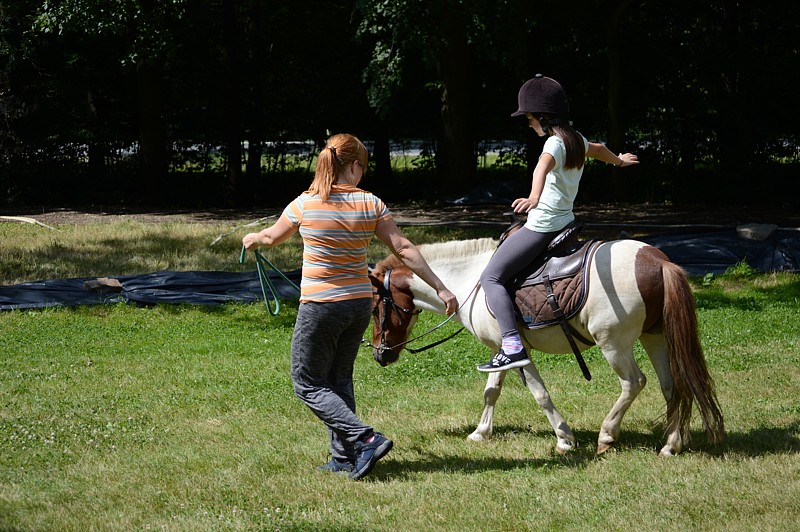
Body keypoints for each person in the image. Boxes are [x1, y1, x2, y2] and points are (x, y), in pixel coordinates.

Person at [243, 133, 458, 480]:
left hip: (321, 305)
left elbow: (270, 237)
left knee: (307, 382)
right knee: (337, 378)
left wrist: (252, 240)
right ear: (355, 165)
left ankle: (365, 439)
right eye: (363, 167)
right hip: (359, 303)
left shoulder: (305, 204)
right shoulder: (370, 203)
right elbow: (403, 248)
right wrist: (441, 288)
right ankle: (343, 458)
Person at [477, 74, 639, 373]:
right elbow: (600, 148)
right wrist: (619, 161)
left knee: (491, 277)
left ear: (541, 116)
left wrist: (534, 197)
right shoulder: (575, 138)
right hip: (566, 222)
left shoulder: (553, 143)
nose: (528, 124)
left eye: (528, 118)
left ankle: (512, 346)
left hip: (543, 225)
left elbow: (542, 166)